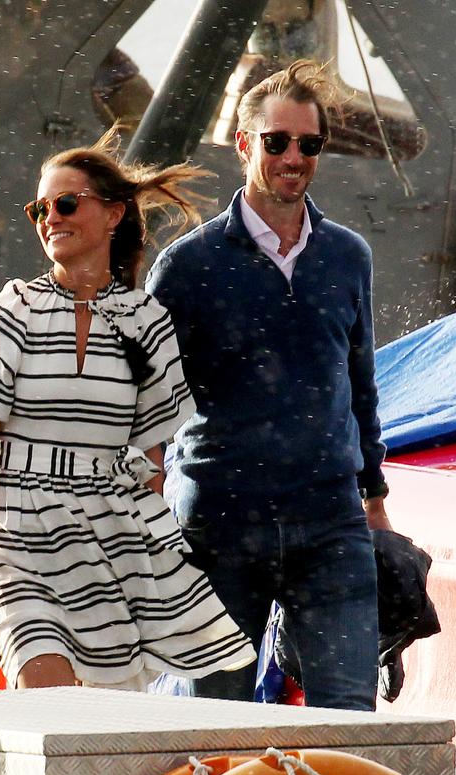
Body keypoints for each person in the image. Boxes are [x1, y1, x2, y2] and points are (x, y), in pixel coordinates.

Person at [0, 129, 254, 690]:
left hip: (111, 529)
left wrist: (154, 523)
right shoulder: (16, 308)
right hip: (18, 526)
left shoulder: (145, 320)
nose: (49, 218)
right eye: (40, 208)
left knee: (113, 712)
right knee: (46, 687)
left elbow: (152, 451)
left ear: (113, 215)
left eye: (66, 203)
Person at [146, 59, 391, 710]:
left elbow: (360, 382)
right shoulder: (188, 266)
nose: (293, 157)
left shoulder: (348, 256)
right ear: (244, 143)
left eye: (309, 144)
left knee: (351, 723)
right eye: (277, 141)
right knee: (211, 727)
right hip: (221, 524)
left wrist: (375, 498)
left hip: (329, 520)